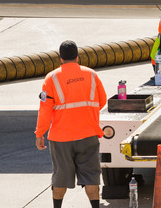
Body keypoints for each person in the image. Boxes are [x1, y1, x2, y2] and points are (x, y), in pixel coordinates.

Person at [35, 40, 107, 208]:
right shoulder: (91, 74)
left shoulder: (51, 78)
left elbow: (45, 110)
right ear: (77, 56)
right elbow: (102, 101)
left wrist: (40, 134)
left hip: (61, 138)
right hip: (88, 133)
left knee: (60, 177)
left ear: (60, 58)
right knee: (91, 177)